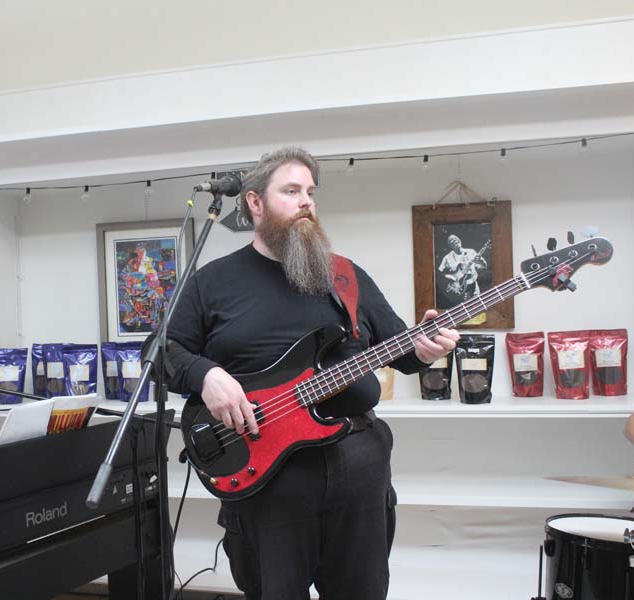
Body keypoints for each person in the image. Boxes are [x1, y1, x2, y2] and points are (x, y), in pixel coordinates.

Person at [162, 147, 459, 599]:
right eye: (291, 191)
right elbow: (162, 351)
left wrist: (424, 349)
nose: (306, 202)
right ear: (255, 202)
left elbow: (401, 350)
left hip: (357, 468)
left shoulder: (345, 276)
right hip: (268, 474)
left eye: (310, 192)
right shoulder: (212, 282)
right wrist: (206, 375)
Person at [438, 234, 488, 300]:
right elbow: (439, 274)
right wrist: (451, 279)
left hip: (473, 288)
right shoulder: (447, 258)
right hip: (457, 290)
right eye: (451, 240)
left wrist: (481, 261)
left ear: (460, 240)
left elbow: (484, 266)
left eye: (456, 238)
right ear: (450, 245)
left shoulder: (471, 252)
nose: (455, 240)